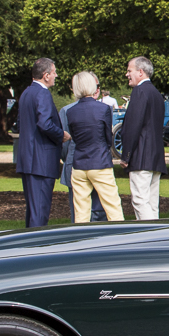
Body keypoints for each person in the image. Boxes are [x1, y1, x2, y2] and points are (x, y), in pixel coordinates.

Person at [15, 58, 69, 228]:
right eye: (54, 72)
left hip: (28, 159)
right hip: (41, 160)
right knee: (40, 211)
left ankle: (30, 247)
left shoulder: (26, 93)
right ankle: (36, 249)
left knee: (33, 210)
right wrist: (61, 134)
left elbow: (20, 123)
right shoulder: (42, 93)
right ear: (46, 76)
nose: (56, 75)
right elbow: (44, 123)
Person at [65, 71, 124, 223]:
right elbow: (107, 137)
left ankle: (83, 242)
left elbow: (75, 137)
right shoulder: (103, 109)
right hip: (100, 161)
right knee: (113, 207)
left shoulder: (70, 112)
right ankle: (121, 240)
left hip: (79, 164)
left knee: (81, 211)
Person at [119, 56, 168, 219]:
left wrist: (126, 155)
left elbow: (133, 126)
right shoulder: (156, 93)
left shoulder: (139, 92)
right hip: (155, 156)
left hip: (141, 156)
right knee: (152, 202)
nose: (127, 74)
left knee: (140, 200)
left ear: (140, 72)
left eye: (129, 70)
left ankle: (151, 237)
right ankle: (157, 236)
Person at [60, 89, 107, 223]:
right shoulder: (67, 111)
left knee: (82, 211)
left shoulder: (67, 110)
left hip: (81, 164)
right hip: (89, 164)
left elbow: (64, 146)